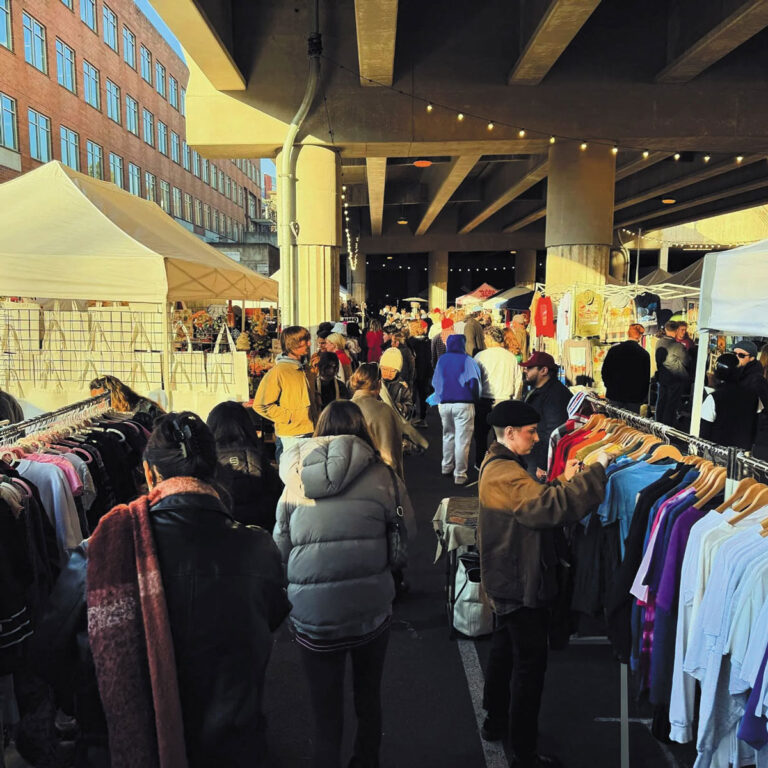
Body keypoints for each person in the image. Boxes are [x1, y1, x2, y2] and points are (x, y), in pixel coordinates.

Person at [34, 412, 290, 768]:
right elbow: (273, 615)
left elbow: (49, 649)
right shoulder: (258, 547)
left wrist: (96, 700)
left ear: (150, 473)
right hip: (231, 744)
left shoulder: (103, 549)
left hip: (117, 744)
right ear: (213, 472)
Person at [274, 400, 415, 768]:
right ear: (361, 429)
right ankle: (365, 761)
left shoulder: (295, 479)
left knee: (325, 710)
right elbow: (404, 540)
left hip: (314, 615)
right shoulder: (384, 477)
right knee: (368, 698)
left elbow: (281, 545)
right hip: (369, 607)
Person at [478, 400, 609, 767]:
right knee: (528, 667)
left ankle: (496, 720)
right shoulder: (505, 474)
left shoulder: (500, 466)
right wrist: (595, 473)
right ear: (509, 434)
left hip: (508, 576)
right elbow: (549, 507)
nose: (537, 439)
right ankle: (523, 750)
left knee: (505, 652)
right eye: (531, 432)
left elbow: (537, 501)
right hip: (520, 581)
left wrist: (563, 480)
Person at [207, 400, 283, 530]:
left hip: (220, 536)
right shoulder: (260, 460)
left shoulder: (208, 464)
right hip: (260, 536)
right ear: (247, 426)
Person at [253, 325, 318, 463]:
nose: (309, 344)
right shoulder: (279, 371)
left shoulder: (306, 369)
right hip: (291, 436)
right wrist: (289, 417)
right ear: (292, 344)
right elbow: (261, 404)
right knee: (291, 477)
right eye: (305, 340)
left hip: (310, 431)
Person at [431, 334, 482, 485]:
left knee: (447, 435)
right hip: (464, 403)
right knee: (462, 440)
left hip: (444, 403)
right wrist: (475, 398)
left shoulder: (442, 360)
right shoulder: (468, 360)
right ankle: (460, 474)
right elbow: (474, 383)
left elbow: (435, 382)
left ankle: (446, 466)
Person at [473, 327, 523, 467]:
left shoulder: (480, 357)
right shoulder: (511, 357)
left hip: (483, 399)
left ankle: (480, 462)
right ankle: (500, 463)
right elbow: (518, 381)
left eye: (484, 338)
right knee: (501, 438)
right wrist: (515, 400)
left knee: (481, 435)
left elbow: (475, 380)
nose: (484, 341)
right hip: (505, 400)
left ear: (489, 338)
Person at [521, 352, 572, 479]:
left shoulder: (555, 395)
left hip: (540, 458)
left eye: (530, 368)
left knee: (538, 495)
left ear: (543, 370)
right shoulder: (540, 390)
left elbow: (553, 431)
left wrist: (542, 464)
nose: (525, 370)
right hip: (533, 454)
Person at [350, 363, 404, 479]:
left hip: (348, 479)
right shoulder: (383, 411)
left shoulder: (343, 408)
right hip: (376, 480)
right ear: (379, 384)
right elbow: (389, 456)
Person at [700, 353, 759, 449]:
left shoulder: (714, 398)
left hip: (717, 452)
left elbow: (704, 432)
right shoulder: (754, 396)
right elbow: (756, 426)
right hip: (743, 454)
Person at [600, 323, 651, 413]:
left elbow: (605, 371)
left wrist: (609, 386)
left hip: (614, 394)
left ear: (628, 333)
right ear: (640, 336)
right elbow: (645, 379)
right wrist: (643, 397)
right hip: (634, 398)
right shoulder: (644, 354)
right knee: (630, 425)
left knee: (614, 424)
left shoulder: (614, 350)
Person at [89, 374, 165, 428]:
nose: (96, 404)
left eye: (100, 399)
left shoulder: (146, 409)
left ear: (115, 395)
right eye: (95, 400)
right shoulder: (105, 417)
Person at [654, 320, 689, 427]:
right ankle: (667, 427)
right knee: (671, 404)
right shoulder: (677, 346)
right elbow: (686, 361)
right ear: (676, 330)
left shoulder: (659, 342)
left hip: (662, 376)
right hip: (675, 378)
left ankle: (658, 424)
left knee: (661, 402)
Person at [407, 319, 433, 427]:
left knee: (411, 394)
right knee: (423, 395)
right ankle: (422, 417)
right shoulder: (427, 341)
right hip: (425, 371)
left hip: (414, 371)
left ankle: (411, 416)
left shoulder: (410, 342)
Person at [380, 347, 413, 420]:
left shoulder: (402, 386)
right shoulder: (374, 383)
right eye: (385, 369)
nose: (388, 373)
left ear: (398, 371)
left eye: (392, 371)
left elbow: (409, 408)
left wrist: (397, 407)